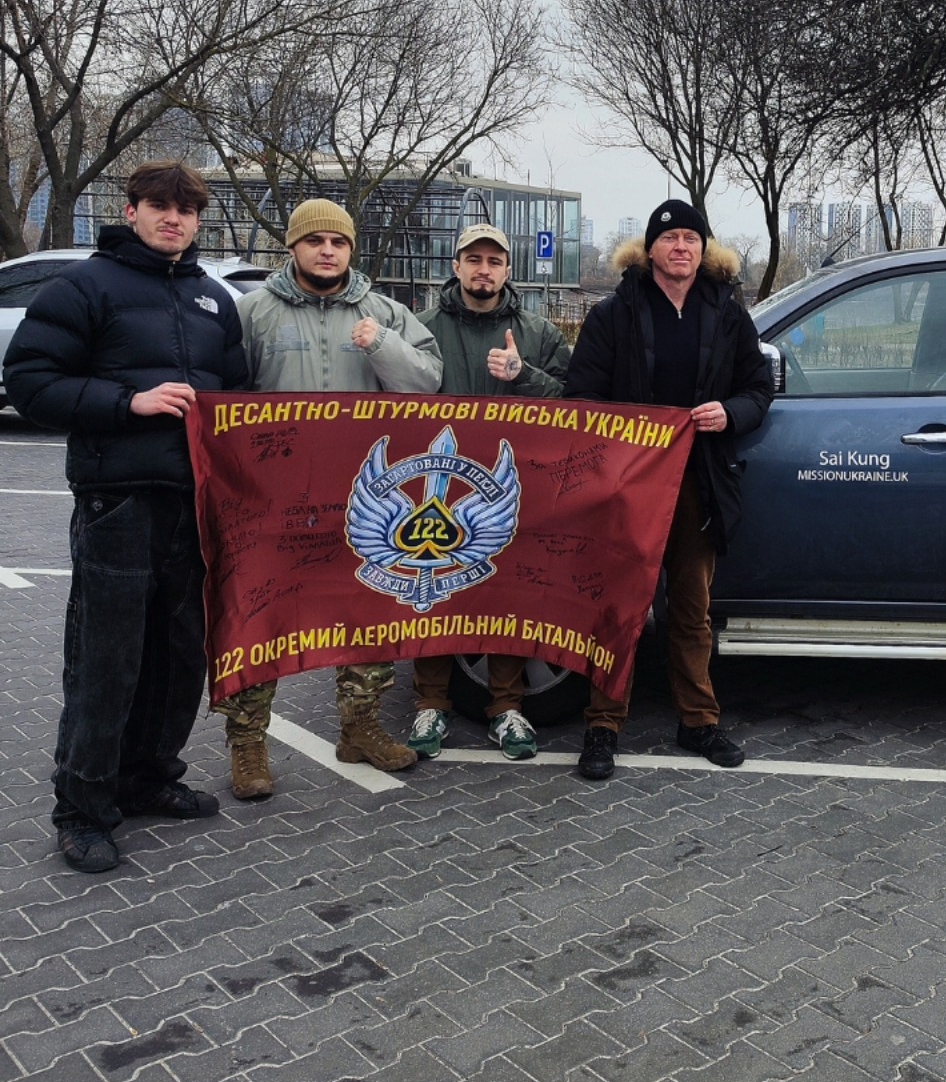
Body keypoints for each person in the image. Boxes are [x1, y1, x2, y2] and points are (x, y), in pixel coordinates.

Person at [3, 162, 247, 873]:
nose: (175, 220)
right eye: (161, 207)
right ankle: (83, 807)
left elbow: (236, 392)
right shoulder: (86, 286)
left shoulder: (213, 299)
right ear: (132, 209)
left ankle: (147, 777)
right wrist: (126, 403)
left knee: (177, 658)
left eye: (188, 211)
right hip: (117, 501)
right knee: (106, 660)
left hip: (189, 504)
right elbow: (30, 381)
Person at [216, 199, 444, 798]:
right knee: (258, 616)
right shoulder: (252, 312)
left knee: (365, 614)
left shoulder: (385, 312)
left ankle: (360, 728)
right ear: (292, 247)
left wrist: (381, 346)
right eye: (314, 241)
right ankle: (248, 745)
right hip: (271, 498)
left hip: (361, 500)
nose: (327, 251)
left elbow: (426, 381)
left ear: (350, 250)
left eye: (337, 242)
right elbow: (220, 395)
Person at [563, 200, 773, 780]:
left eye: (691, 237)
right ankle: (603, 726)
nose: (681, 247)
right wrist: (626, 432)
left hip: (699, 481)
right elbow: (581, 396)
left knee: (691, 610)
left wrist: (729, 413)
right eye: (670, 237)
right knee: (618, 609)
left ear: (703, 249)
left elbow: (758, 387)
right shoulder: (614, 313)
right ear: (649, 249)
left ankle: (698, 720)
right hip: (628, 486)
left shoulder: (728, 312)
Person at [411, 222, 571, 760]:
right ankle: (430, 703)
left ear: (508, 270)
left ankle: (506, 708)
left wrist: (524, 375)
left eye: (494, 261)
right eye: (473, 259)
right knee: (432, 587)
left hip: (509, 485)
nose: (484, 269)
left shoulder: (539, 332)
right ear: (456, 266)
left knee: (507, 595)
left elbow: (573, 402)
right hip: (437, 482)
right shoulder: (423, 327)